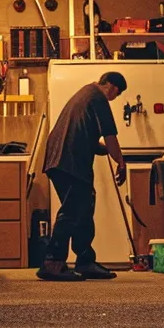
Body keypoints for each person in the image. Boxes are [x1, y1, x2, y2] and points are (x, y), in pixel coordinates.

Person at [36, 72, 127, 281]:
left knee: (83, 207)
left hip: (59, 159)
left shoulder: (85, 95)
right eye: (117, 94)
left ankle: (85, 260)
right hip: (70, 161)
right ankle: (53, 262)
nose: (114, 98)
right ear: (113, 87)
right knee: (73, 209)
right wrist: (120, 161)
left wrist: (105, 151)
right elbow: (110, 136)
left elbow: (84, 135)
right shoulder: (98, 97)